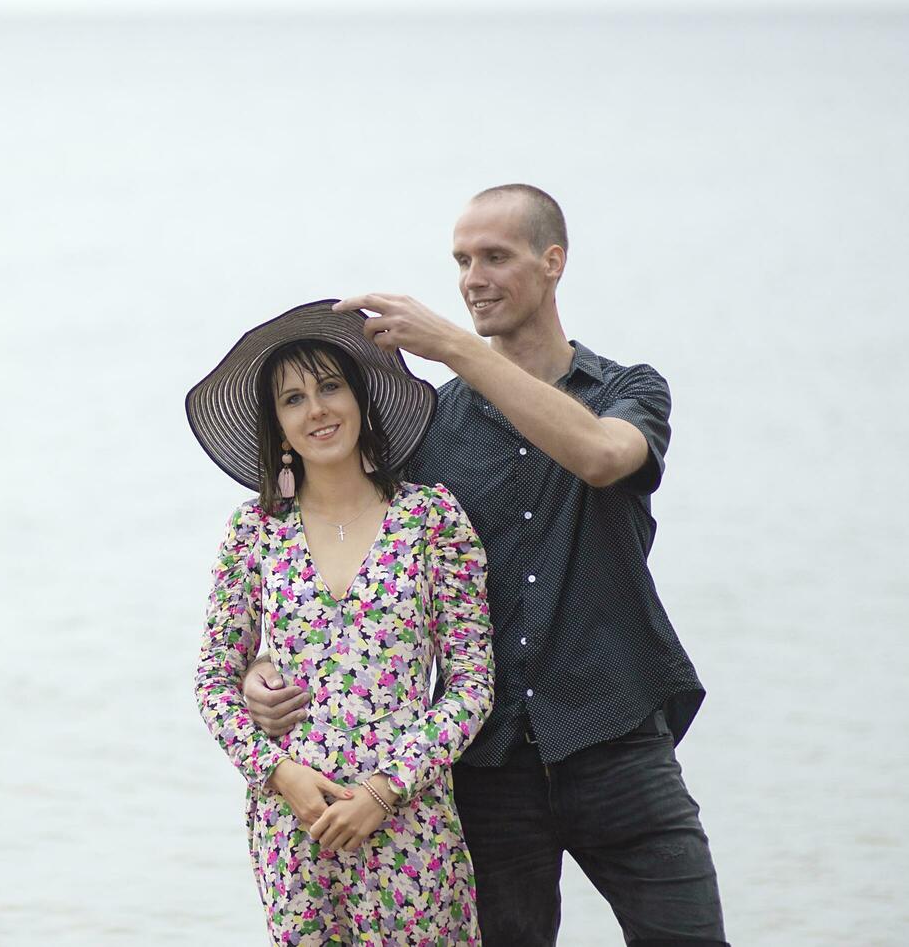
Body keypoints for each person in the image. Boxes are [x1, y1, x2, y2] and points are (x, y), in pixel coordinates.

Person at [243, 185, 728, 946]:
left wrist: (455, 348)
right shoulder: (431, 430)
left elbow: (603, 458)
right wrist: (259, 672)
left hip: (620, 743)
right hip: (487, 765)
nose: (473, 277)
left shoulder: (629, 392)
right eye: (463, 261)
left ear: (553, 262)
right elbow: (342, 564)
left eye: (495, 257)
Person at [187, 302, 495, 946]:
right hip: (294, 825)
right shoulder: (254, 530)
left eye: (330, 387)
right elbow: (214, 682)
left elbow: (471, 686)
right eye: (293, 399)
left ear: (360, 397)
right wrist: (278, 774)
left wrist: (386, 789)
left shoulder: (430, 518)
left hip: (408, 823)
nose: (317, 410)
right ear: (277, 423)